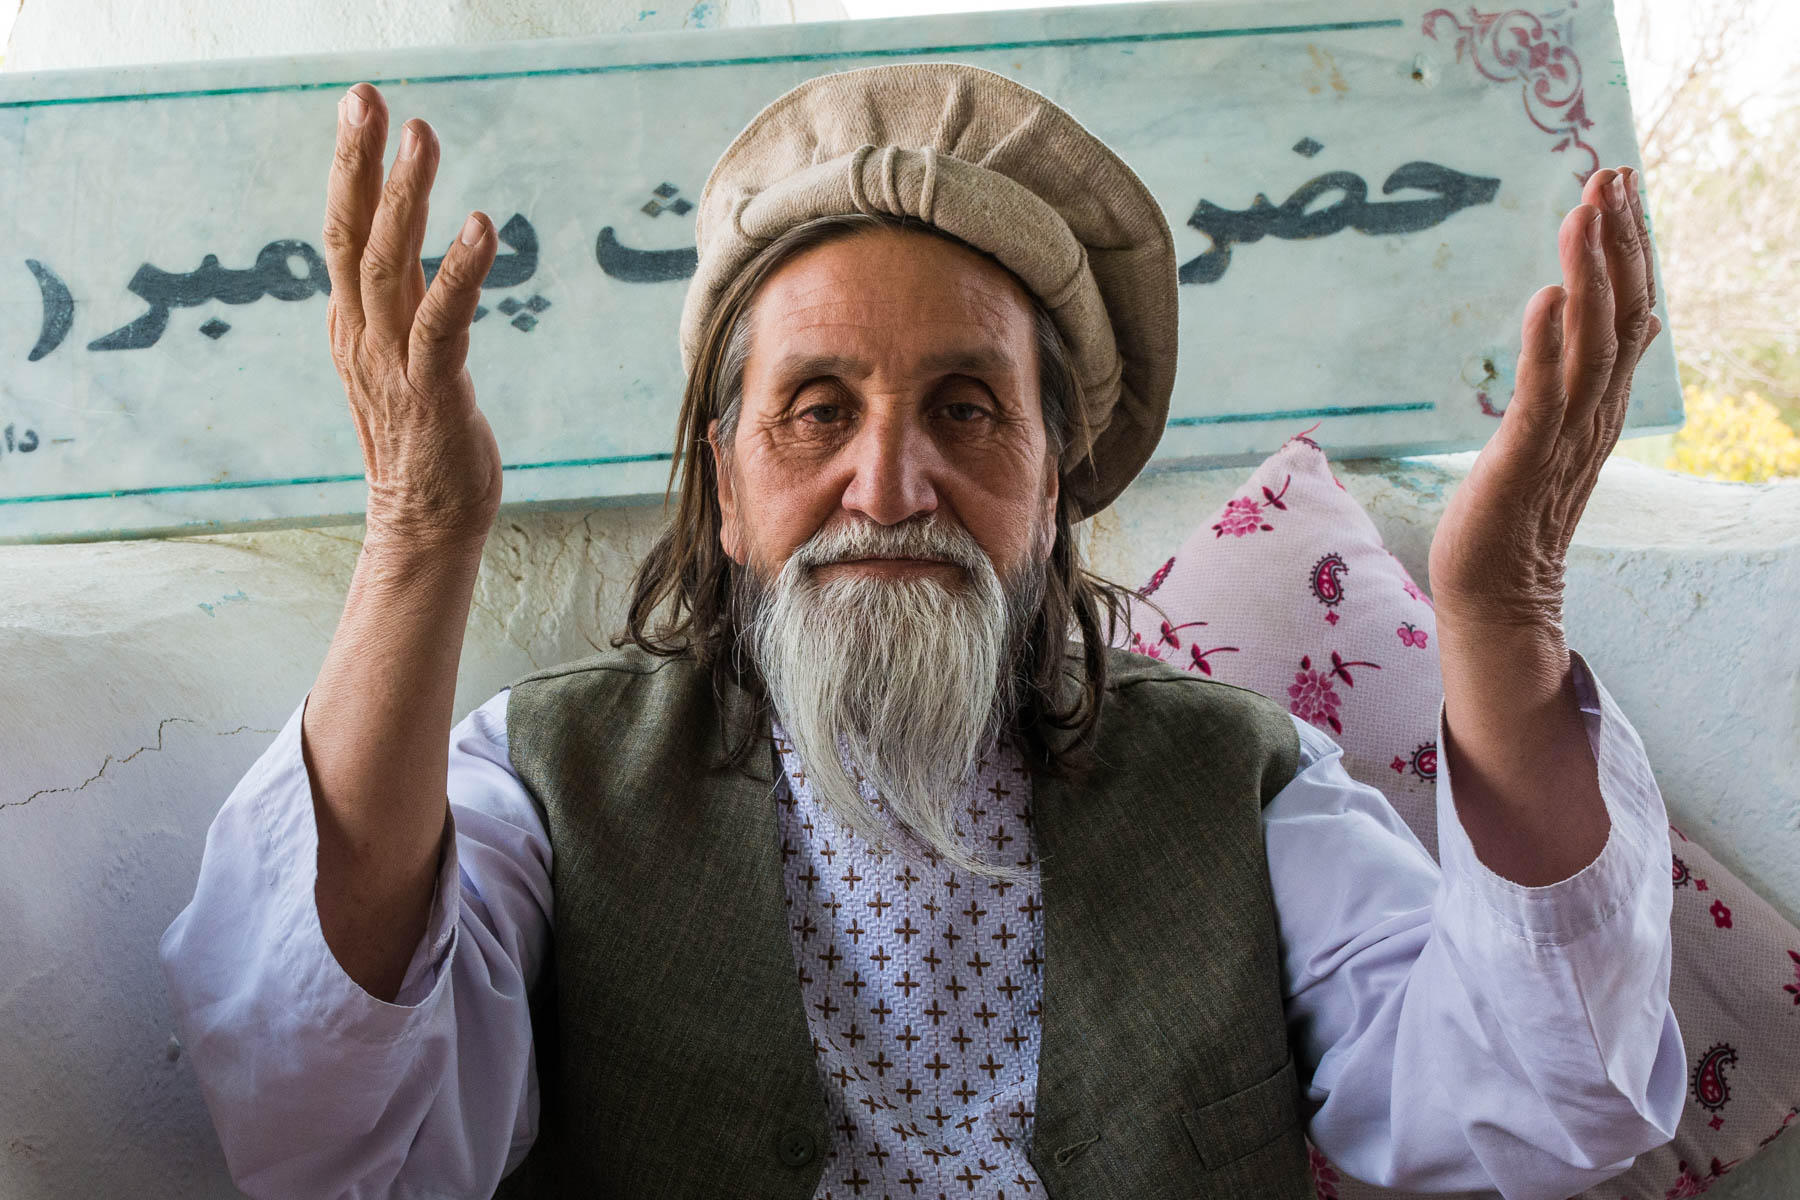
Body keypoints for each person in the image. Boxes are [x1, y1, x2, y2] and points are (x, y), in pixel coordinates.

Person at [160, 63, 1683, 1200]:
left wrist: (1504, 617)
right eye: (817, 411)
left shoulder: (1245, 785)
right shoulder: (541, 781)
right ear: (728, 482)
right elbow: (322, 1129)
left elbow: (1544, 1111)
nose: (888, 485)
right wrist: (418, 539)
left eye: (967, 410)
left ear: (1053, 479)